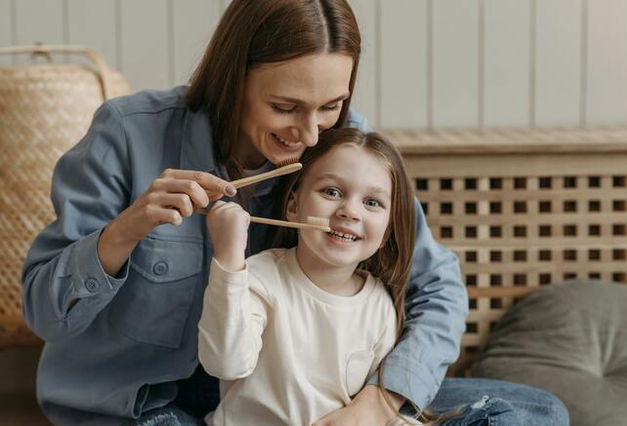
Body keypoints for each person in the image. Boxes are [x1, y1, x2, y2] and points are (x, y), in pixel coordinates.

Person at [21, 0, 569, 425]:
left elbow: (437, 287)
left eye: (330, 107)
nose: (309, 135)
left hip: (308, 396)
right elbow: (44, 315)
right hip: (143, 403)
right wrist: (126, 230)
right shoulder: (126, 132)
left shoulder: (342, 151)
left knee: (534, 412)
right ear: (233, 77)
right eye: (285, 107)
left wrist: (381, 400)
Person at [199, 128, 422, 425]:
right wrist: (229, 255)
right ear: (293, 207)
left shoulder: (379, 304)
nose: (349, 211)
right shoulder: (260, 277)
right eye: (332, 192)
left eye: (372, 203)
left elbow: (372, 410)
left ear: (386, 233)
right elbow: (225, 363)